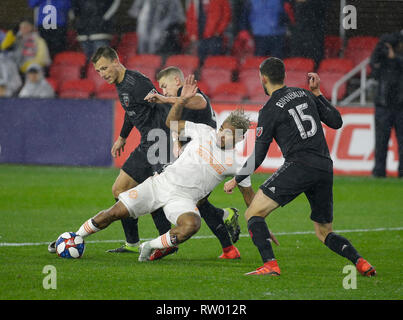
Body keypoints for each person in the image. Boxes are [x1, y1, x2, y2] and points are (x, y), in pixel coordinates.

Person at [52, 76, 271, 262]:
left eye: (233, 135)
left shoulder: (237, 163)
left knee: (192, 224)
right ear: (221, 126)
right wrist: (182, 100)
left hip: (182, 201)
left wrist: (259, 223)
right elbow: (171, 122)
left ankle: (150, 246)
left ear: (241, 139)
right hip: (159, 185)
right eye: (225, 130)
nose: (225, 136)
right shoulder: (204, 131)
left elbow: (250, 198)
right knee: (115, 212)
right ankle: (74, 236)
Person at [224, 57, 376, 277]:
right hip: (324, 167)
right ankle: (360, 262)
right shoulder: (305, 94)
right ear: (284, 76)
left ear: (263, 78)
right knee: (324, 232)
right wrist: (318, 93)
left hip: (299, 165)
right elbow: (336, 122)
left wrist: (236, 179)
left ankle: (270, 265)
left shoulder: (269, 109)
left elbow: (258, 155)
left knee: (254, 213)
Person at [107, 66, 243, 260]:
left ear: (177, 81)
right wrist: (177, 141)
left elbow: (195, 104)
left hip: (208, 157)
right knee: (192, 200)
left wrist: (163, 99)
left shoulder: (195, 96)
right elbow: (175, 122)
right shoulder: (177, 100)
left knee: (177, 195)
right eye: (161, 89)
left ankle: (220, 223)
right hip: (194, 155)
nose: (163, 91)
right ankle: (228, 243)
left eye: (164, 86)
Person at [47, 46, 172, 254]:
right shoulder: (121, 84)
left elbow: (163, 107)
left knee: (155, 193)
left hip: (157, 144)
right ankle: (134, 244)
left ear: (116, 61)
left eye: (105, 68)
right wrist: (123, 137)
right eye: (98, 71)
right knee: (121, 190)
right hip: (147, 143)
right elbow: (131, 110)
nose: (102, 74)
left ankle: (167, 242)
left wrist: (170, 142)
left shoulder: (137, 84)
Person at [370, 30, 403, 178]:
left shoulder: (398, 59)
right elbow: (373, 66)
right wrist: (383, 52)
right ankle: (379, 171)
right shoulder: (382, 58)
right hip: (383, 105)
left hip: (400, 106)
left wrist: (394, 58)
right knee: (381, 141)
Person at [290, 0, 327, 67]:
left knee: (314, 62)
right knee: (299, 65)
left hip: (313, 36)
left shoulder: (318, 5)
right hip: (303, 36)